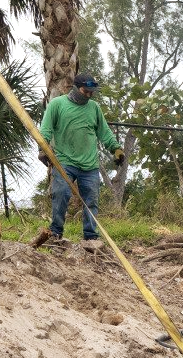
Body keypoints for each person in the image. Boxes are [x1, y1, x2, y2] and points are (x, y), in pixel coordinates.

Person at [36, 73, 123, 248]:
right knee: (60, 195)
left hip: (89, 165)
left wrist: (116, 148)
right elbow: (45, 129)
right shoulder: (57, 104)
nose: (89, 95)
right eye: (86, 91)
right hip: (64, 161)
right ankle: (56, 233)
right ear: (75, 88)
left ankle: (90, 238)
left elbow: (104, 132)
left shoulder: (94, 108)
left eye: (92, 92)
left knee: (91, 200)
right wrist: (42, 149)